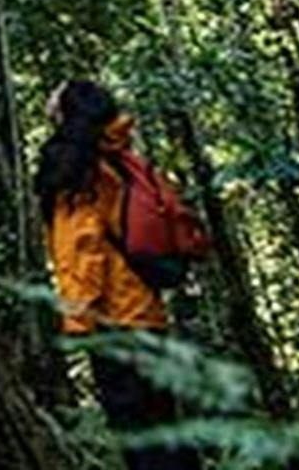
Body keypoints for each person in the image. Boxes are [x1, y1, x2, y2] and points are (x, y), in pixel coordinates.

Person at [35, 79, 201, 470]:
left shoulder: (77, 169)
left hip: (113, 320)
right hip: (147, 313)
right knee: (165, 427)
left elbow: (83, 248)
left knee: (140, 436)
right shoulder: (122, 159)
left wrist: (77, 318)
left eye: (56, 103)